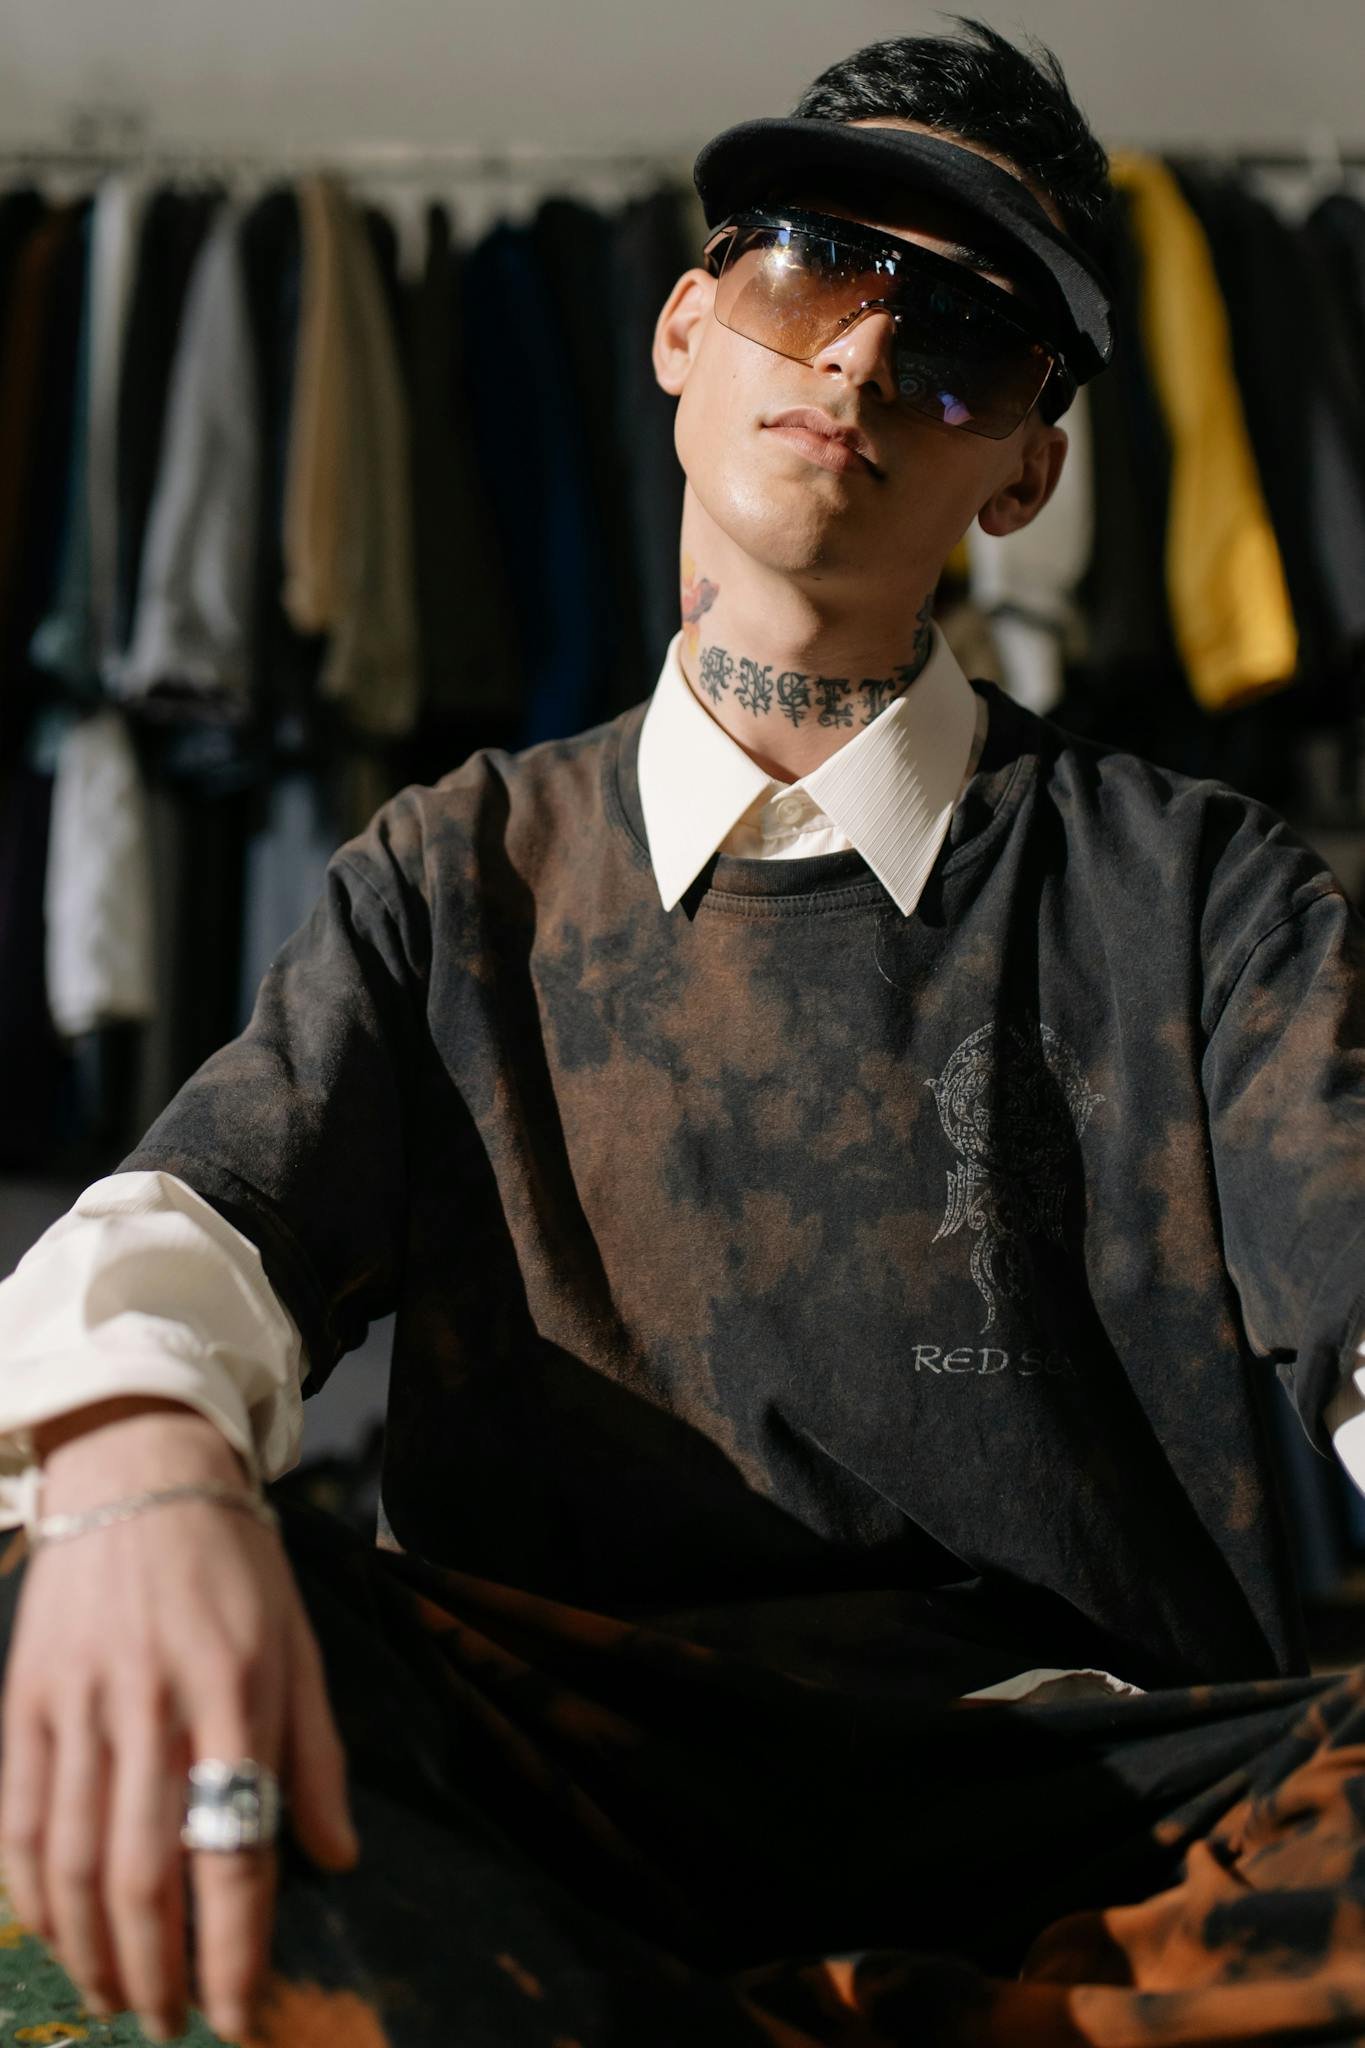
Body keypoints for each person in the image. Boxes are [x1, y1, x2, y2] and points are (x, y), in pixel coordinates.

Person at [2, 16, 1364, 2047]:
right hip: (573, 1791)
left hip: (1104, 1807)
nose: (858, 358)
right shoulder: (451, 875)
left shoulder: (1192, 891)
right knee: (64, 1574)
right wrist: (132, 1471)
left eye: (967, 339)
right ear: (679, 327)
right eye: (814, 260)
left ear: (1026, 472)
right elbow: (194, 1230)